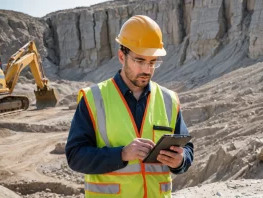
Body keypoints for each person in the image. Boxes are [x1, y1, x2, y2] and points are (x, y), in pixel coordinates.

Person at [66, 15, 194, 198]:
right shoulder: (93, 99)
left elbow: (187, 149)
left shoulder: (169, 100)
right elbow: (75, 156)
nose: (147, 70)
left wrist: (180, 161)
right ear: (121, 56)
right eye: (140, 61)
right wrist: (122, 154)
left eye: (152, 62)